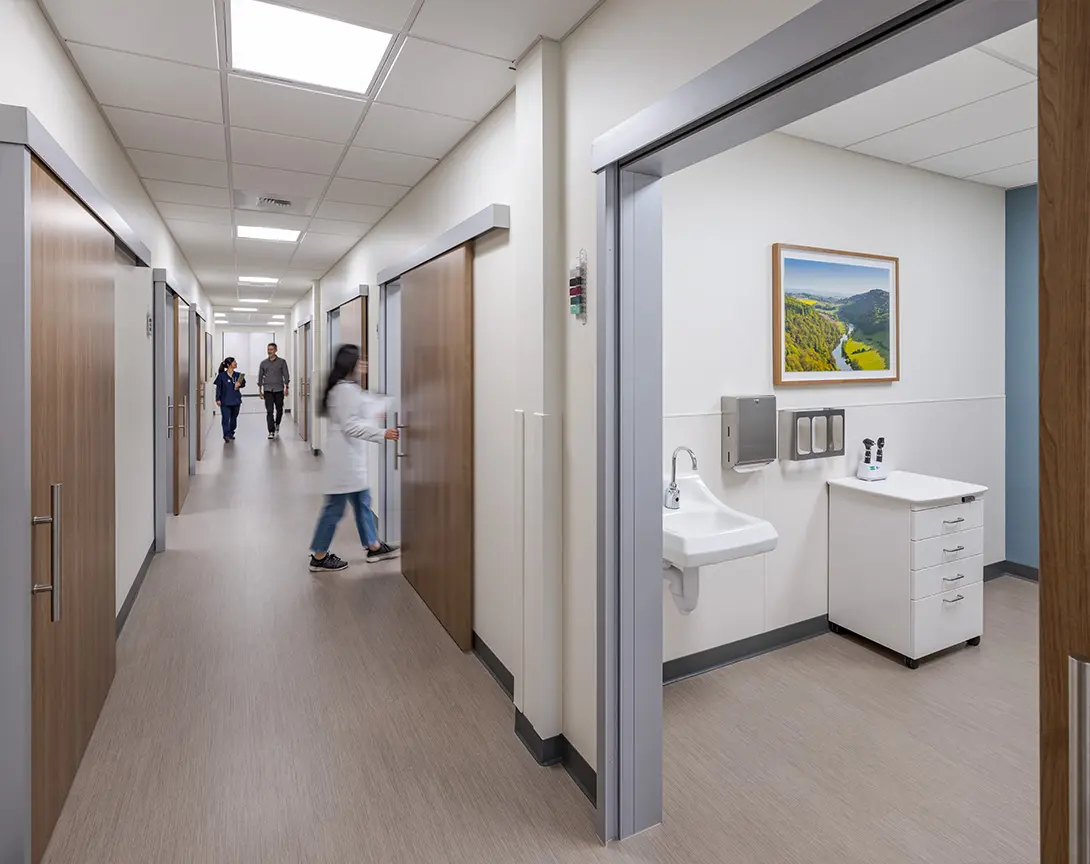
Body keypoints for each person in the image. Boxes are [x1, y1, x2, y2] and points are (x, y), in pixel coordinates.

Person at [309, 344, 400, 573]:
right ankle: (319, 556)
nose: (364, 364)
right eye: (361, 360)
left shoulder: (346, 388)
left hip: (347, 459)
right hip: (345, 462)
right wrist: (382, 433)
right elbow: (350, 425)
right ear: (350, 363)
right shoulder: (345, 390)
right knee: (335, 509)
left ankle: (373, 546)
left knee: (362, 502)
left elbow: (361, 409)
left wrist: (379, 409)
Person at [258, 342, 290, 440]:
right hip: (268, 389)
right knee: (269, 411)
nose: (269, 351)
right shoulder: (263, 363)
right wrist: (260, 391)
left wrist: (286, 388)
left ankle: (277, 423)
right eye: (268, 349)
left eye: (271, 349)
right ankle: (271, 431)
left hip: (279, 389)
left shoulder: (282, 362)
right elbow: (260, 377)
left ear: (276, 350)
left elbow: (286, 375)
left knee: (279, 409)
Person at [214, 357, 243, 442]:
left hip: (236, 401)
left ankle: (231, 432)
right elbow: (218, 388)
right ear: (228, 364)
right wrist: (217, 399)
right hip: (225, 401)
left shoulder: (238, 375)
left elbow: (243, 383)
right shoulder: (221, 376)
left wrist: (239, 384)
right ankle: (226, 435)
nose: (236, 363)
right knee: (225, 419)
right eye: (234, 362)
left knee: (233, 419)